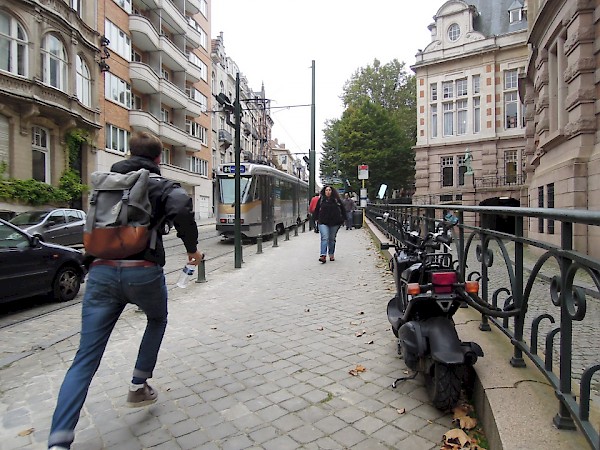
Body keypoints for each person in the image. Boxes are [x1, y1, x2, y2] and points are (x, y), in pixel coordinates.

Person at [48, 131, 201, 450]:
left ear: (129, 152)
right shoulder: (158, 184)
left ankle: (58, 440)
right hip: (143, 272)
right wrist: (191, 249)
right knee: (157, 319)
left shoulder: (105, 182)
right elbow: (182, 207)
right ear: (158, 158)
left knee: (85, 356)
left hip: (102, 272)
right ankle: (138, 383)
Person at [313, 185, 346, 263]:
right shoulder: (321, 200)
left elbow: (342, 209)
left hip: (335, 222)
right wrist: (316, 219)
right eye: (326, 190)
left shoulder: (337, 200)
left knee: (332, 239)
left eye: (329, 190)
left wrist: (344, 219)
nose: (328, 192)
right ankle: (323, 255)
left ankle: (331, 253)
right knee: (324, 237)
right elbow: (316, 210)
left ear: (332, 191)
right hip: (323, 222)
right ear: (324, 191)